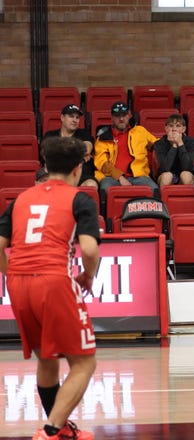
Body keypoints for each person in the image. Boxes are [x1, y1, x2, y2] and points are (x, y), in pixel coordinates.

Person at [0, 136, 100, 440]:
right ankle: (50, 430)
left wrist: (11, 272)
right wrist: (87, 276)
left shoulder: (20, 199)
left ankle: (60, 428)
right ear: (78, 168)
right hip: (54, 280)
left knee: (47, 358)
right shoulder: (80, 198)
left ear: (45, 165)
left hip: (17, 283)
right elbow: (90, 249)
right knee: (84, 363)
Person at [93, 101, 159, 197]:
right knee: (106, 190)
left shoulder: (140, 131)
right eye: (117, 116)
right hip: (111, 177)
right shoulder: (104, 136)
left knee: (154, 190)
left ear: (129, 116)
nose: (121, 119)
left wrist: (174, 139)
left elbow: (157, 144)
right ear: (111, 118)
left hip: (139, 176)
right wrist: (120, 177)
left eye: (124, 115)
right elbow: (102, 163)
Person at [42, 104, 97, 188]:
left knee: (91, 185)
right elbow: (47, 155)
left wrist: (60, 153)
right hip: (57, 174)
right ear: (62, 118)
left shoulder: (84, 133)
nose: (75, 120)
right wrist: (78, 155)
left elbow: (86, 149)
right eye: (71, 116)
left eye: (77, 117)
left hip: (82, 175)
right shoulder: (50, 135)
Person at [152, 113, 194, 187]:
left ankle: (185, 198)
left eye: (178, 126)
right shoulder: (159, 143)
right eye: (171, 126)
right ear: (166, 129)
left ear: (183, 129)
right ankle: (164, 198)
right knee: (167, 176)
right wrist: (174, 145)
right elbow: (165, 168)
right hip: (165, 175)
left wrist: (180, 143)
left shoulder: (191, 142)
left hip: (184, 175)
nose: (174, 129)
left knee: (185, 175)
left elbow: (187, 167)